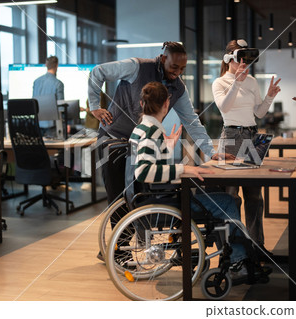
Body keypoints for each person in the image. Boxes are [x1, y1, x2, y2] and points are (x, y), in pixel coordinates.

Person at [131, 81, 261, 276]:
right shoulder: (152, 131)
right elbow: (143, 171)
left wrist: (167, 147)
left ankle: (234, 255)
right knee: (227, 201)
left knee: (214, 194)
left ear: (142, 104)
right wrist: (185, 169)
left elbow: (149, 163)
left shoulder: (141, 128)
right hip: (167, 200)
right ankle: (238, 260)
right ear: (167, 104)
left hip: (154, 196)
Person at [88, 41, 230, 206]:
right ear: (163, 59)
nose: (177, 73)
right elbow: (98, 72)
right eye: (174, 67)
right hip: (113, 137)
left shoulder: (178, 88)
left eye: (182, 69)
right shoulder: (137, 67)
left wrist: (210, 152)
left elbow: (192, 122)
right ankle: (123, 232)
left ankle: (142, 230)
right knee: (118, 199)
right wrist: (94, 107)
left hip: (138, 141)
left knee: (139, 197)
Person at [212, 39, 281, 259]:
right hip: (232, 137)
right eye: (239, 57)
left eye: (247, 58)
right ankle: (233, 251)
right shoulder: (219, 82)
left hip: (251, 135)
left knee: (255, 197)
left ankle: (257, 247)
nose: (244, 62)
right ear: (229, 58)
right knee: (231, 196)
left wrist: (270, 95)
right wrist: (237, 82)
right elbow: (224, 107)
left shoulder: (251, 81)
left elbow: (259, 113)